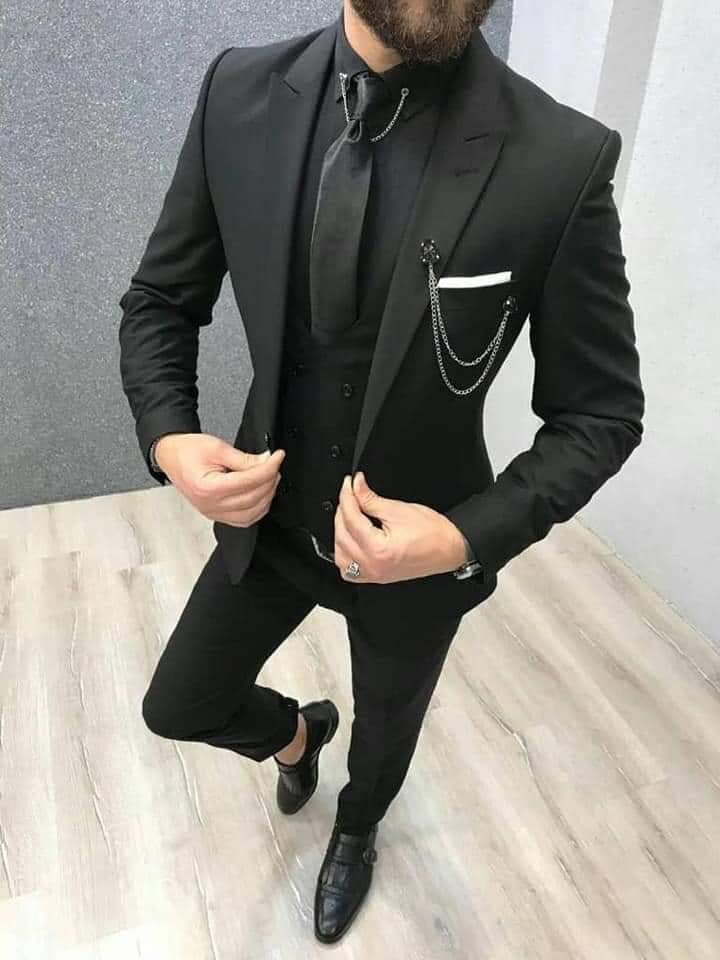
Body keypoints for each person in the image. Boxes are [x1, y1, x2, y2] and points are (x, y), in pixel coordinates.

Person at [117, 0, 644, 943]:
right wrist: (169, 437)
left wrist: (464, 536)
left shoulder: (560, 157)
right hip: (270, 520)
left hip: (420, 555)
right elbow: (161, 297)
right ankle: (297, 735)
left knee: (387, 737)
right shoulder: (237, 94)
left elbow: (600, 415)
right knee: (179, 704)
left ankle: (358, 829)